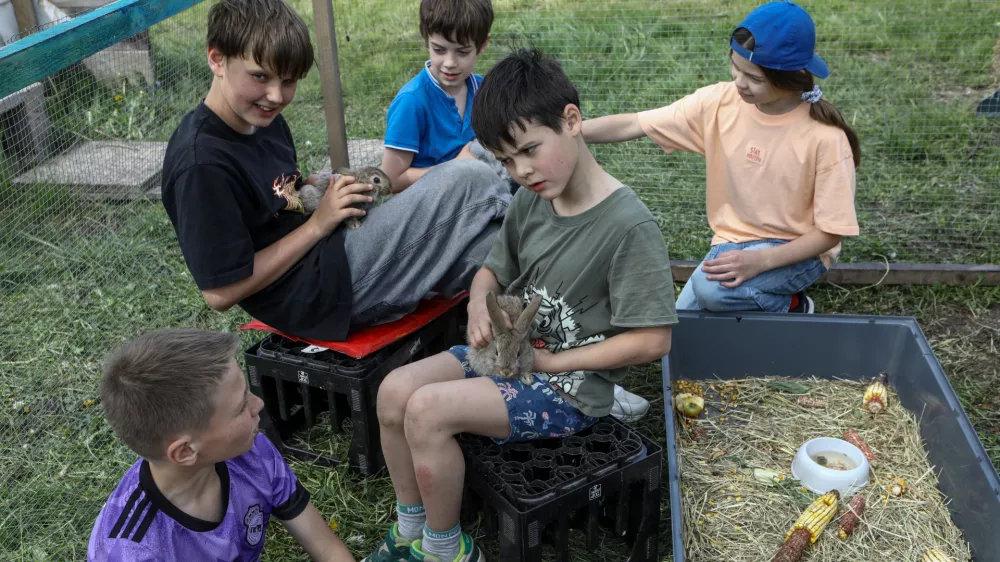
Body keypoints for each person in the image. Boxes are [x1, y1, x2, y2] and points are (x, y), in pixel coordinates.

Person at [361, 48, 677, 562]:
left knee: (426, 410)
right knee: (394, 390)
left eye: (529, 150)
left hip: (568, 388)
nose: (521, 170)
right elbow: (493, 268)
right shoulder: (533, 199)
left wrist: (554, 362)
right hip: (508, 359)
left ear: (572, 121)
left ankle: (446, 551)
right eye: (507, 160)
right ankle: (410, 528)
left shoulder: (628, 227)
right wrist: (476, 307)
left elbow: (653, 339)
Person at [160, 0, 511, 341]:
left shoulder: (261, 119)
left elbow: (283, 198)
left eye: (288, 81)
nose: (275, 95)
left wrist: (321, 188)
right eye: (260, 76)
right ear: (216, 59)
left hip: (336, 249)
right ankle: (540, 205)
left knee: (491, 250)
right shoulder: (201, 164)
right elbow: (220, 293)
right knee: (472, 174)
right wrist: (317, 225)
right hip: (323, 292)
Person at [583, 0, 861, 416]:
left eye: (752, 77)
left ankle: (791, 307)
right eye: (735, 68)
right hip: (733, 243)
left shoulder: (825, 138)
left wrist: (760, 263)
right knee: (673, 331)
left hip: (799, 249)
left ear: (788, 79)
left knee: (713, 292)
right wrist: (570, 134)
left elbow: (829, 234)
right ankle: (599, 388)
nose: (738, 82)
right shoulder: (721, 103)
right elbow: (637, 123)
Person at [88, 328, 355, 561]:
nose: (258, 405)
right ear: (186, 451)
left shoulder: (252, 453)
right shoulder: (133, 552)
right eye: (240, 407)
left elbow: (327, 550)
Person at [380, 0, 495, 192]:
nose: (450, 63)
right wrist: (456, 168)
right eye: (439, 50)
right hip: (431, 205)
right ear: (426, 40)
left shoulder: (486, 91)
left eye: (462, 51)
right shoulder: (412, 102)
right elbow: (390, 181)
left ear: (482, 45)